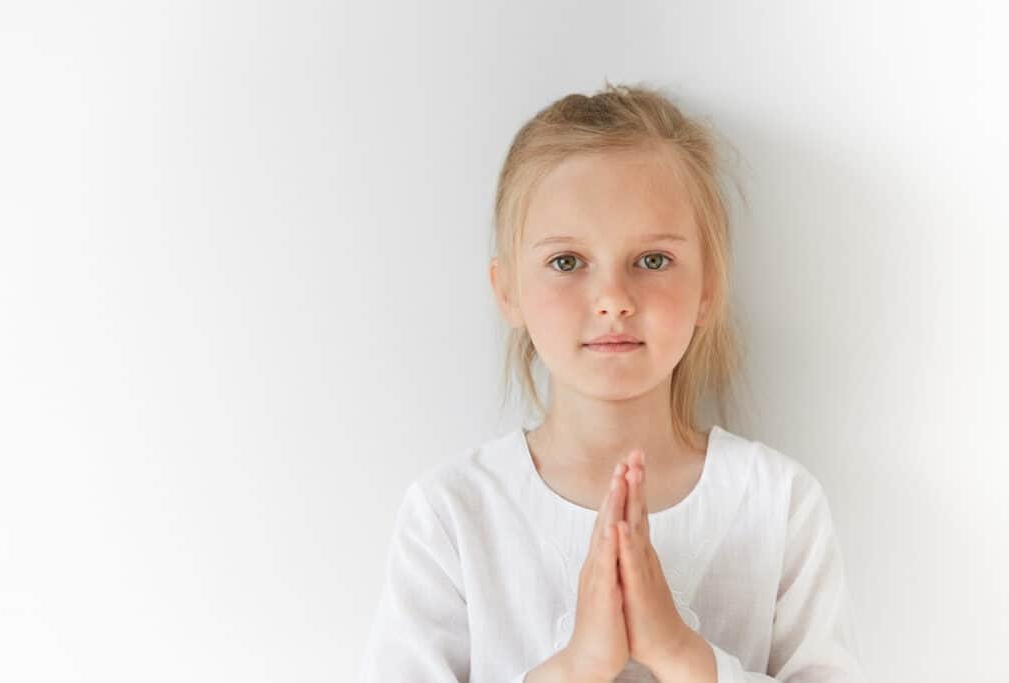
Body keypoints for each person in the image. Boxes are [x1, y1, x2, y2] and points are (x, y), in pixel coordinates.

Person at [357, 81, 867, 682]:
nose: (613, 300)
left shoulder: (778, 505)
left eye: (652, 260)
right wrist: (576, 668)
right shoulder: (453, 514)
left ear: (708, 288)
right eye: (567, 262)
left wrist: (682, 653)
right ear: (507, 290)